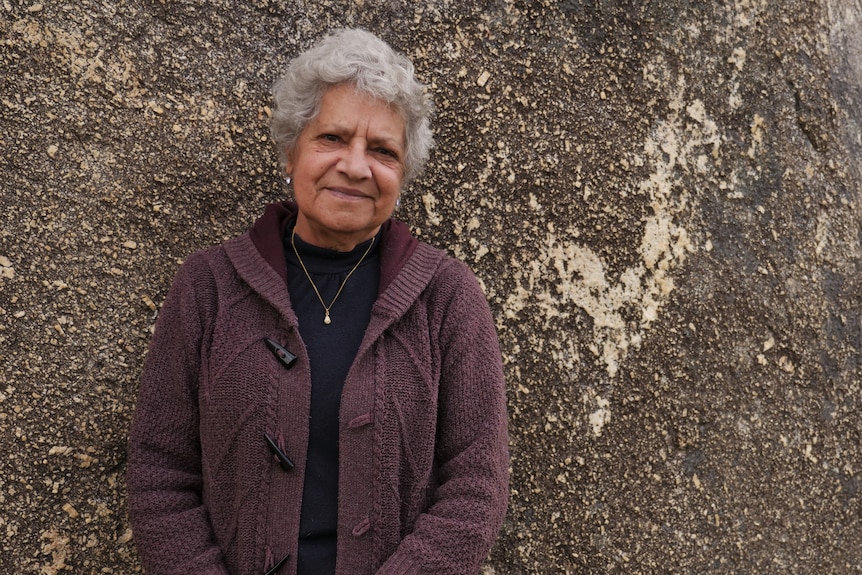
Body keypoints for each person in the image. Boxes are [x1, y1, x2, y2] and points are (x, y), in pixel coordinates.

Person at [126, 28, 509, 575]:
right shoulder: (207, 286)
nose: (356, 167)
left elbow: (477, 485)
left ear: (402, 174)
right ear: (291, 149)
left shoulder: (447, 296)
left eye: (382, 150)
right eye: (332, 138)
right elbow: (159, 471)